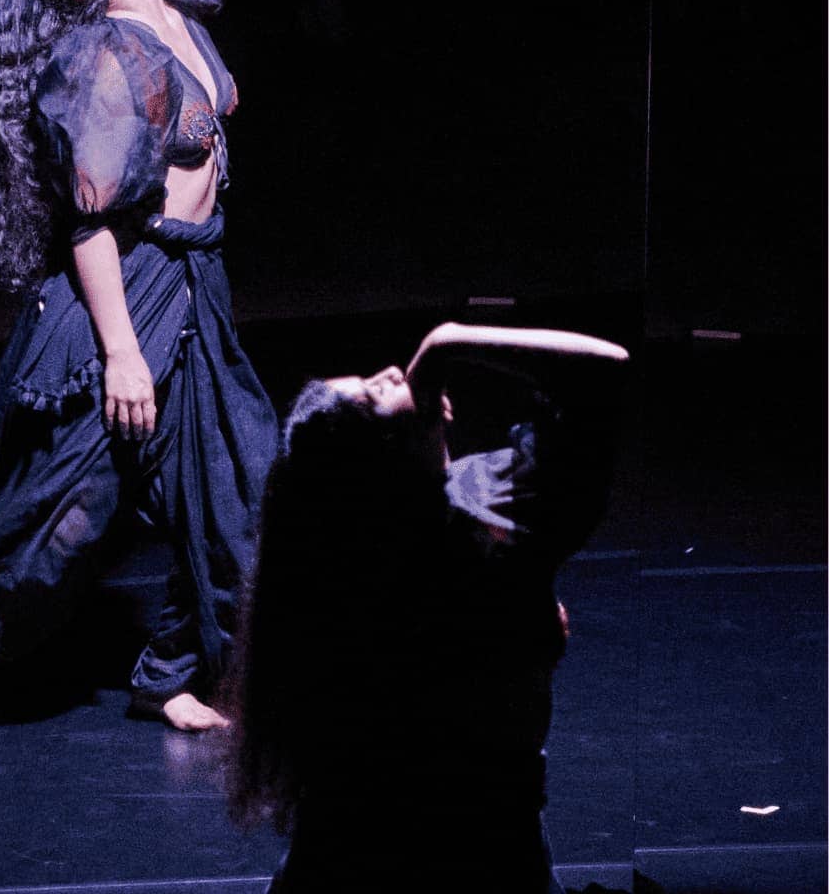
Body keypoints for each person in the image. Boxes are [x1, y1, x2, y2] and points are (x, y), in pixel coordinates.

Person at [0, 0, 280, 740]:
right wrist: (121, 355)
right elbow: (94, 225)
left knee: (238, 484)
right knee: (65, 520)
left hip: (197, 284)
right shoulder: (102, 57)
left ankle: (173, 673)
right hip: (126, 298)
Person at [227, 323, 630, 891]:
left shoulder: (339, 574)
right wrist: (448, 341)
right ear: (375, 465)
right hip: (478, 861)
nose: (391, 372)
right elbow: (605, 365)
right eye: (373, 393)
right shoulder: (488, 518)